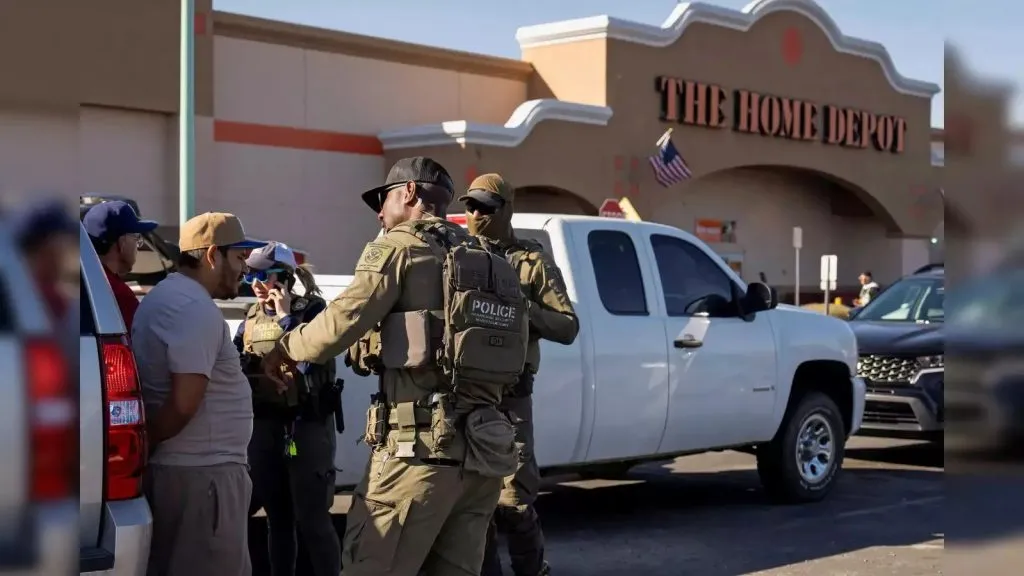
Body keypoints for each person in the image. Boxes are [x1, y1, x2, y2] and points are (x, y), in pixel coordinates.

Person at [261, 156, 529, 576]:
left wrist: (285, 347)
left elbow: (339, 324)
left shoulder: (399, 247)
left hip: (416, 455)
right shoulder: (490, 260)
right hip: (483, 457)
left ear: (408, 193)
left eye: (382, 201)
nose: (380, 214)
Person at [133, 212, 265, 576]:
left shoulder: (174, 298)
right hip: (203, 481)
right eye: (238, 258)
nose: (244, 269)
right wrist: (145, 445)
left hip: (195, 476)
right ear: (211, 255)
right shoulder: (193, 308)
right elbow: (183, 402)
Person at [463, 175, 579, 576]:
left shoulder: (531, 262)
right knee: (473, 503)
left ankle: (531, 569)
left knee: (513, 499)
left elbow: (567, 326)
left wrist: (522, 310)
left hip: (510, 397)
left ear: (506, 209)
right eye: (471, 206)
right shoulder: (456, 258)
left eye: (486, 207)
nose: (476, 214)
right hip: (465, 394)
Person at [234, 241, 342, 576]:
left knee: (313, 520)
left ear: (284, 278)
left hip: (305, 425)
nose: (255, 282)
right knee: (277, 518)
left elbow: (311, 358)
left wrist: (284, 317)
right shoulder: (249, 319)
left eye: (263, 274)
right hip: (266, 426)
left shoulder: (312, 312)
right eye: (250, 274)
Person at [82, 200, 158, 332]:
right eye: (136, 237)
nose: (138, 246)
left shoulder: (85, 282)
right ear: (122, 243)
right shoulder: (118, 295)